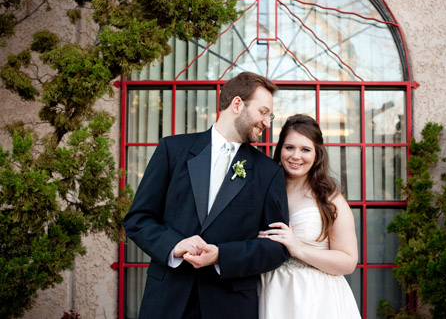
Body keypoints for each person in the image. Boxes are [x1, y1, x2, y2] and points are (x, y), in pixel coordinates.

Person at [123, 72, 290, 319]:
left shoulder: (269, 172)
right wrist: (175, 245)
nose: (267, 122)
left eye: (270, 115)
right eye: (263, 112)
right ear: (237, 104)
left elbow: (277, 248)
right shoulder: (172, 150)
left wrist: (222, 256)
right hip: (167, 301)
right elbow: (138, 219)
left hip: (229, 306)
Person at [258, 114, 361, 319]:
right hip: (271, 291)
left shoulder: (330, 199)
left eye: (305, 149)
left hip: (316, 299)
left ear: (317, 154)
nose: (296, 156)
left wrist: (298, 248)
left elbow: (348, 261)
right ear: (280, 150)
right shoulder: (262, 189)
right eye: (289, 147)